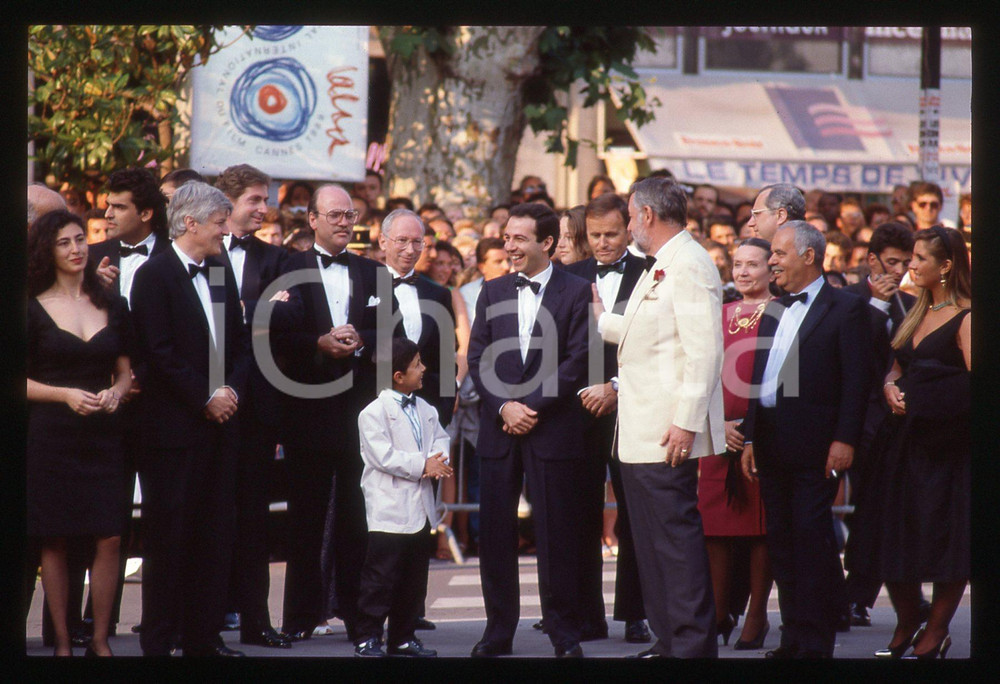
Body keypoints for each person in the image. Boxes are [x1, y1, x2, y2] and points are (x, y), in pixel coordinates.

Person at [595, 176, 725, 659]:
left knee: (673, 542)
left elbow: (704, 351)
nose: (629, 227)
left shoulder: (689, 263)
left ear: (647, 215)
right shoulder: (666, 262)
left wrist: (686, 421)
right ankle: (670, 638)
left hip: (666, 430)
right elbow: (646, 330)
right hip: (643, 428)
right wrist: (600, 317)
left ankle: (690, 644)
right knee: (651, 544)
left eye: (630, 217)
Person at [271, 184, 398, 643]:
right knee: (304, 517)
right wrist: (318, 343)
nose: (345, 222)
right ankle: (300, 617)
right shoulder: (288, 268)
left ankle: (358, 617)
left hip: (359, 411)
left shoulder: (374, 272)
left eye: (350, 215)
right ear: (313, 220)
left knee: (357, 516)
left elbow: (394, 330)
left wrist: (361, 340)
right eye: (335, 215)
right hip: (306, 408)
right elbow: (274, 334)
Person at [129, 181, 251, 657]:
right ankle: (160, 640)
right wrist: (205, 397)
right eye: (219, 223)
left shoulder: (220, 269)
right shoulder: (153, 275)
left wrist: (230, 391)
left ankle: (204, 638)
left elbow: (239, 343)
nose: (225, 231)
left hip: (222, 427)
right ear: (190, 223)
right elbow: (157, 352)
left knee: (215, 536)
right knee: (169, 537)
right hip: (173, 431)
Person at [740, 221, 871, 659]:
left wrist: (845, 439)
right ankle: (792, 636)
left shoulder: (846, 308)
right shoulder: (774, 308)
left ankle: (816, 643)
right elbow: (760, 377)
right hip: (771, 444)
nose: (772, 261)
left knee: (811, 542)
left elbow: (857, 381)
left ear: (809, 256)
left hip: (817, 448)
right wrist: (751, 438)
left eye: (779, 253)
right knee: (782, 543)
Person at [467, 201, 592, 658]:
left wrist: (530, 406)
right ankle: (497, 632)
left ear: (548, 242)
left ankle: (564, 633)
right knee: (495, 536)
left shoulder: (577, 290)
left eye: (519, 238)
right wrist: (504, 407)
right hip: (499, 429)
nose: (510, 246)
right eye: (507, 238)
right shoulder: (492, 290)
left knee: (557, 536)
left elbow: (579, 358)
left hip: (552, 428)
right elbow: (478, 356)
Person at [27, 210, 133, 657]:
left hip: (105, 435)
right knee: (55, 537)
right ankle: (64, 644)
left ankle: (101, 641)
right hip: (51, 434)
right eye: (64, 243)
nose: (76, 249)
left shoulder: (112, 302)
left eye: (80, 240)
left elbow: (126, 373)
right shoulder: (29, 306)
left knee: (110, 536)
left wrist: (116, 393)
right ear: (46, 251)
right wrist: (64, 395)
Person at [863, 226, 971, 659]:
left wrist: (927, 399)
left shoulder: (968, 316)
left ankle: (936, 629)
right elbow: (895, 364)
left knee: (948, 540)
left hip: (947, 448)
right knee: (889, 534)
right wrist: (890, 385)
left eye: (920, 258)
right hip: (902, 444)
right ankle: (909, 618)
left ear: (946, 266)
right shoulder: (914, 309)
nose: (910, 265)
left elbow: (976, 384)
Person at [86, 166, 170, 641]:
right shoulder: (89, 258)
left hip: (163, 405)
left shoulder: (178, 256)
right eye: (108, 205)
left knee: (163, 517)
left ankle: (160, 622)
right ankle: (94, 622)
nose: (108, 214)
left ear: (147, 212)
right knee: (106, 517)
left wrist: (144, 378)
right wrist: (93, 289)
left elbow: (188, 333)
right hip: (106, 407)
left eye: (119, 207)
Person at [213, 164, 293, 650]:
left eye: (267, 200)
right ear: (229, 202)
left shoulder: (278, 257)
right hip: (202, 401)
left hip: (259, 403)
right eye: (256, 200)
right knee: (207, 514)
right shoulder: (199, 250)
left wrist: (252, 313)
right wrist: (259, 308)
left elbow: (289, 315)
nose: (265, 209)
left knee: (253, 517)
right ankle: (200, 618)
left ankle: (256, 621)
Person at [565, 191, 650, 645]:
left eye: (612, 234)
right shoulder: (570, 276)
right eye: (595, 235)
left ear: (628, 229)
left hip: (632, 407)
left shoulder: (651, 274)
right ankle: (585, 614)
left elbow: (656, 345)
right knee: (580, 513)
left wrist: (616, 387)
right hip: (578, 410)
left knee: (633, 513)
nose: (602, 243)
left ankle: (635, 613)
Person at [697, 238, 775, 651]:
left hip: (762, 434)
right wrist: (717, 422)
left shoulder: (782, 313)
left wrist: (752, 431)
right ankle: (717, 610)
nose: (743, 272)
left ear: (771, 268)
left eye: (752, 264)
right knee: (714, 527)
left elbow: (785, 379)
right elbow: (703, 371)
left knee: (761, 530)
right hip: (716, 431)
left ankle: (757, 614)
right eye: (737, 264)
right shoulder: (720, 312)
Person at [353, 339, 453, 658]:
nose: (424, 369)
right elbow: (382, 456)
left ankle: (403, 636)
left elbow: (441, 438)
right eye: (417, 364)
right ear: (398, 376)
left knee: (413, 579)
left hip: (420, 508)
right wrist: (423, 464)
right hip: (389, 509)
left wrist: (438, 459)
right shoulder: (372, 413)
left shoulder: (426, 409)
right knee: (380, 578)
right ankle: (367, 637)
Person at [840, 221, 917, 629]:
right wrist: (877, 307)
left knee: (875, 511)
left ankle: (859, 597)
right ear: (872, 260)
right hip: (845, 419)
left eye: (905, 263)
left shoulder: (911, 304)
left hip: (890, 424)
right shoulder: (846, 300)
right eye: (891, 263)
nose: (898, 271)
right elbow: (849, 354)